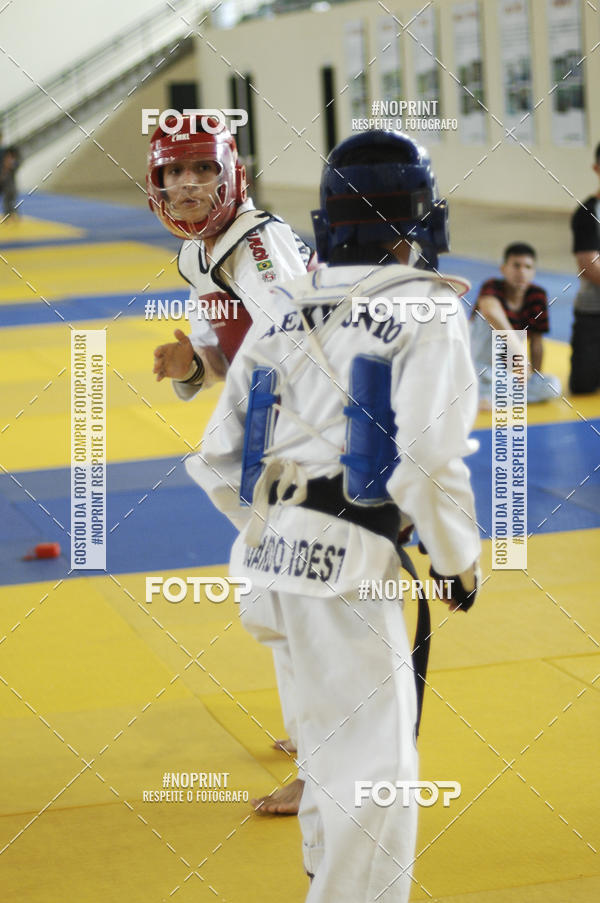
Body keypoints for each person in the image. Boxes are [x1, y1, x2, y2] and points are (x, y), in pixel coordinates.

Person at [186, 130, 481, 902]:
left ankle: (319, 869)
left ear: (329, 220)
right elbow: (428, 459)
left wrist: (269, 532)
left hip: (270, 564)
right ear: (423, 216)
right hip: (351, 571)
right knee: (378, 771)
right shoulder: (426, 307)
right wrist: (456, 560)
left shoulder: (283, 308)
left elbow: (219, 455)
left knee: (325, 745)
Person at [147, 112, 312, 814]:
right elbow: (225, 355)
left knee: (300, 597)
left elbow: (303, 348)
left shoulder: (260, 243)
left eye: (202, 169)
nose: (187, 185)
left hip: (304, 437)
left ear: (231, 171)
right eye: (173, 172)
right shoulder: (200, 253)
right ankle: (312, 732)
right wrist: (195, 362)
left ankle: (330, 760)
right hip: (262, 436)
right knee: (269, 593)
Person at [469, 242, 561, 407]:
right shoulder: (492, 286)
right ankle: (488, 393)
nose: (521, 272)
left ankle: (489, 397)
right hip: (475, 364)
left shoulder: (537, 295)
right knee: (485, 317)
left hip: (504, 371)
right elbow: (490, 312)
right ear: (503, 269)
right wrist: (520, 356)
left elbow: (537, 342)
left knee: (552, 386)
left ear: (533, 272)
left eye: (527, 267)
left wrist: (532, 376)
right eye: (516, 266)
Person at [569, 141, 600, 394]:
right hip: (594, 313)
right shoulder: (588, 213)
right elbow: (589, 265)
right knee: (584, 386)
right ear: (596, 169)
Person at [0, 144, 20, 219]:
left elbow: (15, 167)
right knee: (7, 201)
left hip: (11, 186)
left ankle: (13, 214)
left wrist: (9, 165)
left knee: (12, 200)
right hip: (6, 186)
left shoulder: (13, 162)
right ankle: (7, 214)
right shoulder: (4, 163)